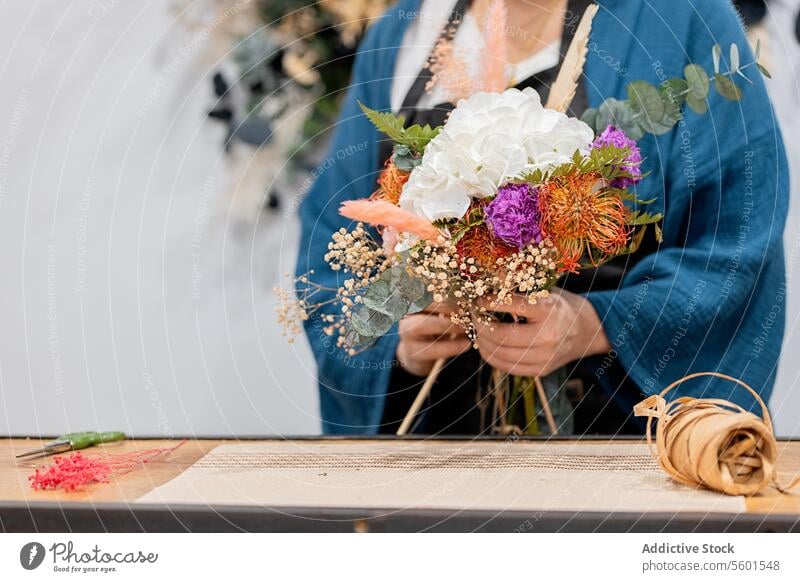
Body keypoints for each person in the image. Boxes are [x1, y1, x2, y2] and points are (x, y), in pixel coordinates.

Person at [296, 0, 789, 435]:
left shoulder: (683, 19)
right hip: (439, 450)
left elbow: (739, 238)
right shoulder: (403, 31)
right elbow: (330, 241)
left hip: (617, 438)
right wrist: (397, 347)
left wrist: (596, 325)